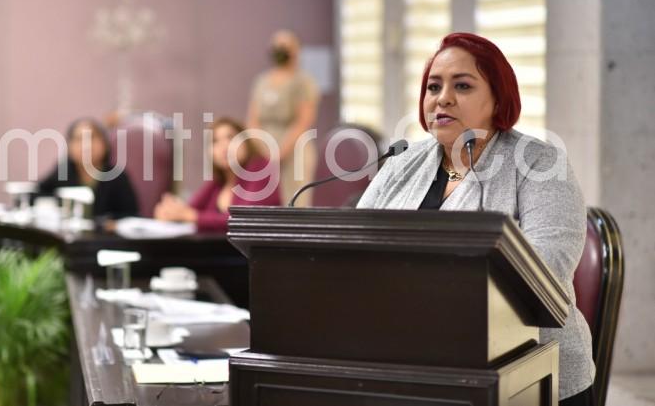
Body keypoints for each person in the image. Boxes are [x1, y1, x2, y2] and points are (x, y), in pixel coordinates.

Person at [357, 32, 595, 406]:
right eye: (433, 87)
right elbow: (353, 253)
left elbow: (545, 273)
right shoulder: (400, 164)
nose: (443, 98)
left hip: (529, 371)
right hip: (409, 360)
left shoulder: (541, 164)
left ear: (498, 97)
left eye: (462, 85)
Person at [154, 117, 281, 231]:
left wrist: (191, 216)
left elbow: (243, 219)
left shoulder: (262, 168)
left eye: (230, 137)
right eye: (215, 141)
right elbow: (189, 209)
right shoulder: (218, 181)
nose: (224, 146)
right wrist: (170, 211)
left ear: (246, 142)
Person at [247, 30, 319, 206]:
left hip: (294, 149)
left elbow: (303, 121)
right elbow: (252, 119)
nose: (280, 49)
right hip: (264, 149)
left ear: (297, 50)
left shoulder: (304, 82)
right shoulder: (262, 81)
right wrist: (264, 150)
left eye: (286, 46)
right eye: (277, 46)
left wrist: (279, 153)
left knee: (295, 201)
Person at [39, 117, 138, 220]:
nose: (86, 145)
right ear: (70, 148)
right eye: (79, 139)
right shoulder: (63, 172)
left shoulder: (116, 176)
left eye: (92, 138)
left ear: (105, 144)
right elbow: (37, 193)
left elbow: (131, 215)